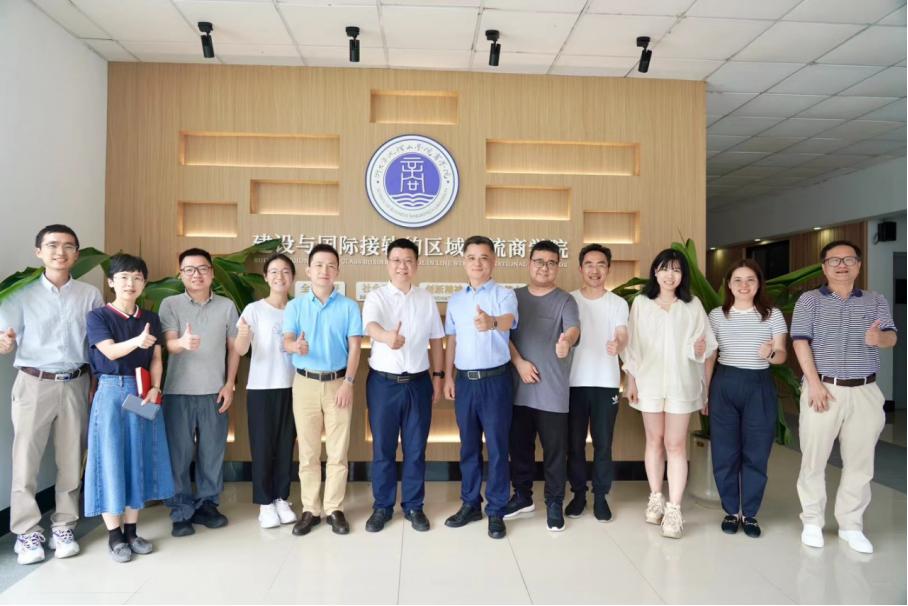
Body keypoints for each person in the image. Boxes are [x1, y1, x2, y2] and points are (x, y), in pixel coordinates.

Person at [0, 224, 103, 565]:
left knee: (71, 459)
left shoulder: (90, 295)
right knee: (25, 461)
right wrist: (5, 343)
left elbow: (96, 344)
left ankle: (64, 525)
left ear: (77, 254)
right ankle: (26, 532)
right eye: (53, 245)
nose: (60, 252)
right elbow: (5, 337)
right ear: (39, 252)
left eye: (68, 246)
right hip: (34, 382)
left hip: (76, 381)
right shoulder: (21, 294)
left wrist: (95, 383)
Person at [792, 240, 897, 554]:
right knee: (814, 459)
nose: (842, 265)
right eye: (834, 260)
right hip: (823, 388)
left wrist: (879, 338)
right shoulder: (809, 300)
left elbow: (892, 336)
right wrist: (814, 384)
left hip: (865, 390)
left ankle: (851, 525)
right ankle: (812, 521)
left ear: (858, 266)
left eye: (849, 260)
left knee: (861, 462)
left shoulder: (875, 300)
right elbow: (800, 342)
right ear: (824, 267)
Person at [83, 254, 174, 562]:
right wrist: (138, 341)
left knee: (139, 456)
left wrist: (156, 388)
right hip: (110, 392)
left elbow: (157, 359)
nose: (130, 283)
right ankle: (114, 535)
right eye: (123, 277)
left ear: (144, 283)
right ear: (111, 282)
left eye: (137, 277)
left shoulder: (151, 317)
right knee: (110, 458)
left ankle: (133, 531)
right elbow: (109, 352)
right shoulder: (98, 316)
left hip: (142, 393)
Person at [622, 248, 716, 539]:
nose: (670, 275)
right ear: (655, 272)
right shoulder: (641, 303)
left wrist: (699, 354)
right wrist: (631, 381)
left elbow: (708, 346)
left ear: (682, 275)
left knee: (675, 444)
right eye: (664, 268)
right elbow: (632, 346)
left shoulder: (692, 305)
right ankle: (655, 497)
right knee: (654, 440)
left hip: (681, 384)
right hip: (648, 383)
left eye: (676, 269)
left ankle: (674, 509)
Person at [362, 239, 445, 533]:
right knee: (383, 449)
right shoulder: (376, 296)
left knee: (416, 449)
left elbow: (437, 340)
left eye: (408, 260)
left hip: (418, 383)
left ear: (416, 265)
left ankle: (413, 506)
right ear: (388, 264)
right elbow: (371, 326)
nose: (402, 266)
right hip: (383, 385)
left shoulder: (426, 299)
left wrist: (438, 377)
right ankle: (382, 507)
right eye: (396, 260)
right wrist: (387, 337)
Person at [704, 259, 787, 538]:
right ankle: (731, 510)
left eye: (750, 279)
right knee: (724, 452)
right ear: (728, 285)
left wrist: (770, 354)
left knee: (757, 452)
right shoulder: (717, 315)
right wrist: (705, 392)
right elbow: (710, 356)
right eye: (737, 280)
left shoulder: (772, 315)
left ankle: (750, 513)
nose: (744, 285)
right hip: (724, 384)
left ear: (758, 283)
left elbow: (781, 354)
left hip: (758, 385)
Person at [283, 244, 362, 537]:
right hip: (304, 383)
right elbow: (287, 340)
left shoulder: (349, 306)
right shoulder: (295, 306)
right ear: (308, 271)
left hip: (339, 383)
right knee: (308, 451)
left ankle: (334, 508)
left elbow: (355, 347)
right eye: (318, 265)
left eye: (330, 266)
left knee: (338, 451)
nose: (324, 271)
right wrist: (295, 346)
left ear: (337, 271)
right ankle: (310, 509)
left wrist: (349, 383)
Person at [160, 248, 240, 537]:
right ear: (180, 274)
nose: (196, 274)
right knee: (179, 455)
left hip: (214, 392)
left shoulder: (227, 306)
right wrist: (182, 343)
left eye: (202, 268)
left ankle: (208, 505)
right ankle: (180, 510)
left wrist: (229, 384)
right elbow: (169, 344)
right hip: (177, 393)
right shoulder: (170, 304)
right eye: (189, 269)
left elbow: (234, 349)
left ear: (212, 273)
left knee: (212, 452)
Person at [443, 235, 518, 540]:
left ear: (493, 261)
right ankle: (470, 503)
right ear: (464, 261)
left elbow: (509, 320)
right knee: (469, 446)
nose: (477, 263)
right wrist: (448, 376)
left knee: (498, 448)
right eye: (472, 257)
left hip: (496, 381)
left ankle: (496, 510)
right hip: (464, 382)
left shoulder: (504, 294)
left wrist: (492, 322)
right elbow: (452, 340)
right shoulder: (455, 300)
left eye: (484, 257)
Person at [504, 240, 580, 532]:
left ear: (557, 267)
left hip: (553, 393)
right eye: (539, 261)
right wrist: (519, 363)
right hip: (518, 390)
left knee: (555, 453)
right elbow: (503, 335)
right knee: (519, 449)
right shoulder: (513, 297)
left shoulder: (565, 300)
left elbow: (573, 329)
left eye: (551, 263)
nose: (544, 267)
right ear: (529, 263)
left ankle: (554, 502)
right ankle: (522, 497)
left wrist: (566, 341)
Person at [234, 253, 298, 529]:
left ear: (292, 277)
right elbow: (240, 350)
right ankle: (265, 503)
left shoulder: (298, 309)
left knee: (285, 445)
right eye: (274, 271)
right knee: (262, 446)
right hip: (261, 387)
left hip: (294, 386)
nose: (279, 276)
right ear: (265, 277)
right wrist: (243, 336)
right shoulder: (253, 309)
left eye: (285, 271)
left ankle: (282, 498)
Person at [566, 244, 628, 522]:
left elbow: (622, 333)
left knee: (604, 444)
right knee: (574, 444)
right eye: (589, 264)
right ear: (580, 268)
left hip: (606, 383)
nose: (595, 270)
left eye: (601, 264)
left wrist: (618, 344)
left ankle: (601, 496)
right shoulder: (569, 300)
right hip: (573, 383)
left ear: (608, 269)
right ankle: (578, 494)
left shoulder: (618, 303)